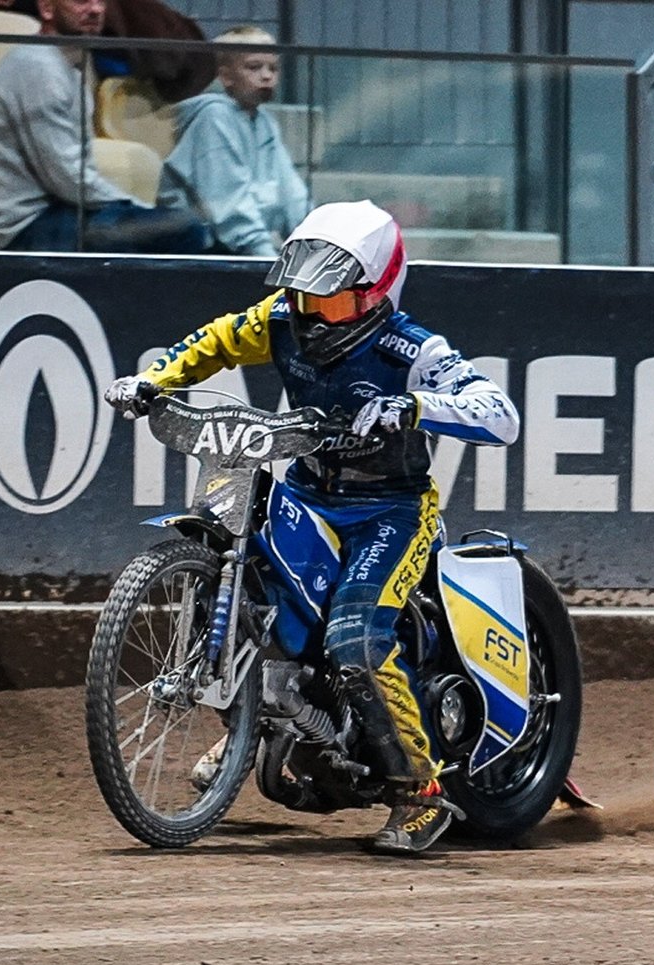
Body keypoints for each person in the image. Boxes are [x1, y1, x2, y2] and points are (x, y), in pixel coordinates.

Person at [104, 200, 521, 854]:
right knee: (248, 596)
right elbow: (216, 341)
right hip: (306, 491)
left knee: (355, 638)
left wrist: (413, 406)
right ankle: (253, 725)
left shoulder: (412, 348)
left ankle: (421, 791)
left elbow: (500, 415)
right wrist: (153, 380)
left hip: (390, 512)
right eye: (305, 296)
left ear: (377, 293)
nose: (314, 314)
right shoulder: (279, 319)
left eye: (332, 301)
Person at [0, 0, 209, 252]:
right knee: (181, 229)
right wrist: (133, 207)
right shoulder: (40, 67)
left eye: (99, 0)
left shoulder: (68, 66)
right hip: (15, 232)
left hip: (53, 212)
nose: (96, 9)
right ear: (47, 9)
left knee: (172, 225)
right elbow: (68, 178)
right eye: (81, 1)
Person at [158, 26, 309, 256]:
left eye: (273, 68)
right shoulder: (213, 117)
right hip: (208, 248)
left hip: (246, 247)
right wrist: (266, 260)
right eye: (254, 67)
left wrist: (313, 242)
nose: (267, 76)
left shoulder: (264, 121)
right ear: (226, 76)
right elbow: (229, 204)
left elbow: (292, 193)